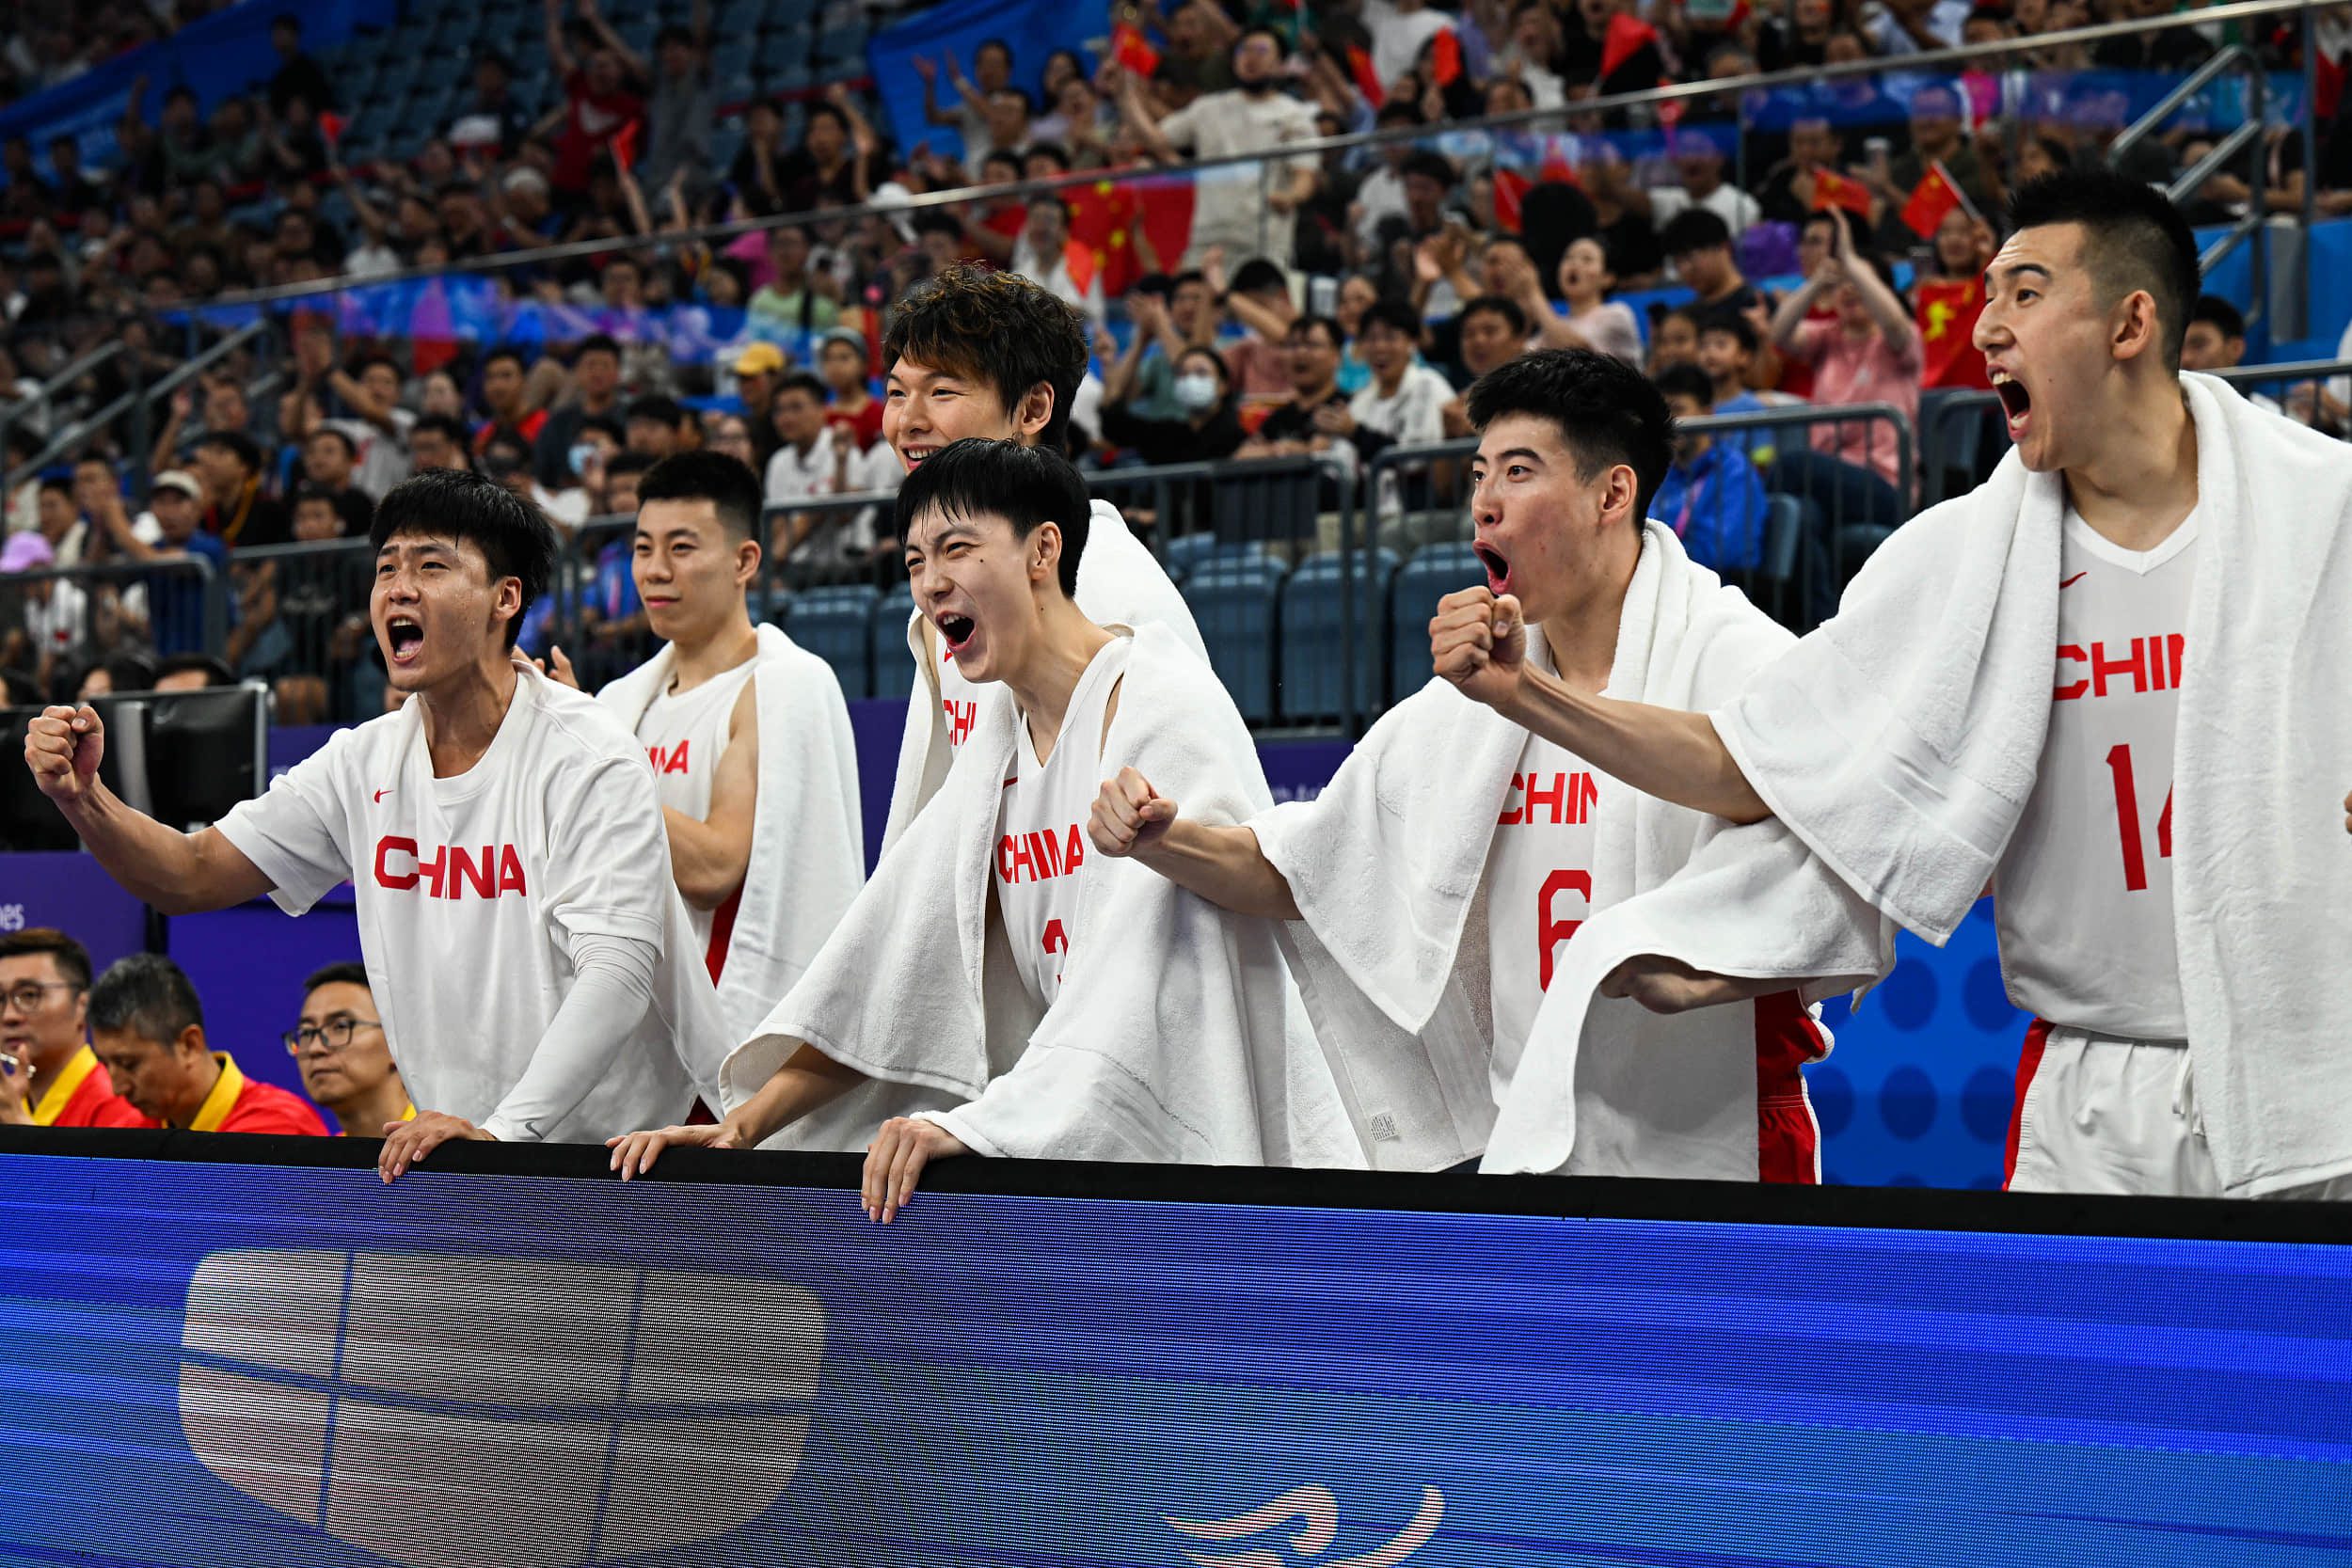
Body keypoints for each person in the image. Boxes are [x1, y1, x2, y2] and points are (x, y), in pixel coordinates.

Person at [1438, 171, 2352, 1199]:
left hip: (2318, 1076)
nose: (1987, 325)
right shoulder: (1958, 562)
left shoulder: (2323, 513)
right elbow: (1749, 764)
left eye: (2024, 292)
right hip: (2090, 1090)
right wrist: (1526, 696)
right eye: (1988, 295)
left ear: (2130, 321)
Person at [1092, 350, 1865, 1178]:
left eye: (1519, 472)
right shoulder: (1477, 700)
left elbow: (1815, 827)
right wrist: (1163, 840)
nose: (1483, 504)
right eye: (1478, 473)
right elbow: (1309, 870)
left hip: (1724, 1138)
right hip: (1532, 1149)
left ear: (1613, 494)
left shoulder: (1737, 658)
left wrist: (1526, 695)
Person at [609, 440, 1351, 1206]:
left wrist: (1171, 842)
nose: (931, 583)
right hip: (1086, 1138)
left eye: (955, 548)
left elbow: (1223, 920)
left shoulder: (1159, 701)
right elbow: (898, 970)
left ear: (1043, 549)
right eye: (913, 561)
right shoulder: (995, 739)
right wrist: (745, 1124)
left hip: (1222, 1156)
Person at [22, 467, 725, 1181]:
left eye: (430, 565)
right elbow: (190, 871)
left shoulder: (589, 754)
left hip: (629, 1162)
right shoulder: (363, 760)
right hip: (471, 1154)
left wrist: (506, 1129)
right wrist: (84, 798)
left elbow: (618, 972)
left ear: (504, 599)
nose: (399, 587)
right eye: (386, 566)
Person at [871, 264, 1204, 850]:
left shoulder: (1111, 593)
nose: (907, 421)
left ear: (1032, 411)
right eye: (897, 392)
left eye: (942, 391)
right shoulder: (945, 600)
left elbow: (1171, 845)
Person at [570, 451, 864, 1045]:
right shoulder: (621, 701)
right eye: (643, 548)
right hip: (630, 1026)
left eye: (681, 548)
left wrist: (584, 759)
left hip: (723, 1027)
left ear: (744, 560)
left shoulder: (782, 685)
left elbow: (713, 869)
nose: (654, 570)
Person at [1114, 27, 1320, 268]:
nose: (1251, 56)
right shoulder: (1207, 108)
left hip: (1262, 240)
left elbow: (1305, 176)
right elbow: (1154, 139)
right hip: (1207, 237)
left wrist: (1291, 196)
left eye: (1262, 50)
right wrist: (1123, 94)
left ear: (1280, 64)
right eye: (1244, 50)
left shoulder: (1294, 115)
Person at [1767, 212, 1921, 530]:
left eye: (1860, 283)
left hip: (1885, 485)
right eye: (1842, 284)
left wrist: (1851, 261)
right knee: (1802, 518)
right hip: (1828, 480)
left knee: (1791, 466)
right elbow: (1779, 334)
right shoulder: (1827, 337)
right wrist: (1817, 282)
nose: (1850, 290)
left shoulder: (1899, 342)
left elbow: (1894, 322)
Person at [87, 954, 326, 1134]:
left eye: (129, 1064)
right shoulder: (127, 1136)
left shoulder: (280, 1130)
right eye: (106, 1065)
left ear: (189, 1044)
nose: (118, 1088)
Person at [0, 928, 147, 1129]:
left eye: (29, 996)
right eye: (0, 999)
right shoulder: (11, 1103)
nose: (9, 1016)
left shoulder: (120, 1106)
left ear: (82, 1007)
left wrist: (17, 1124)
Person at [1651, 362, 1771, 573]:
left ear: (1707, 413)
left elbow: (1721, 553)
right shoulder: (1661, 473)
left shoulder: (1736, 473)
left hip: (1715, 593)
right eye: (1662, 412)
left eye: (1678, 410)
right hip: (1663, 580)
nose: (1667, 421)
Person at [287, 961, 414, 1136]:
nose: (315, 1048)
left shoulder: (450, 1139)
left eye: (340, 1027)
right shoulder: (324, 1162)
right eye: (307, 1032)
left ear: (396, 1042)